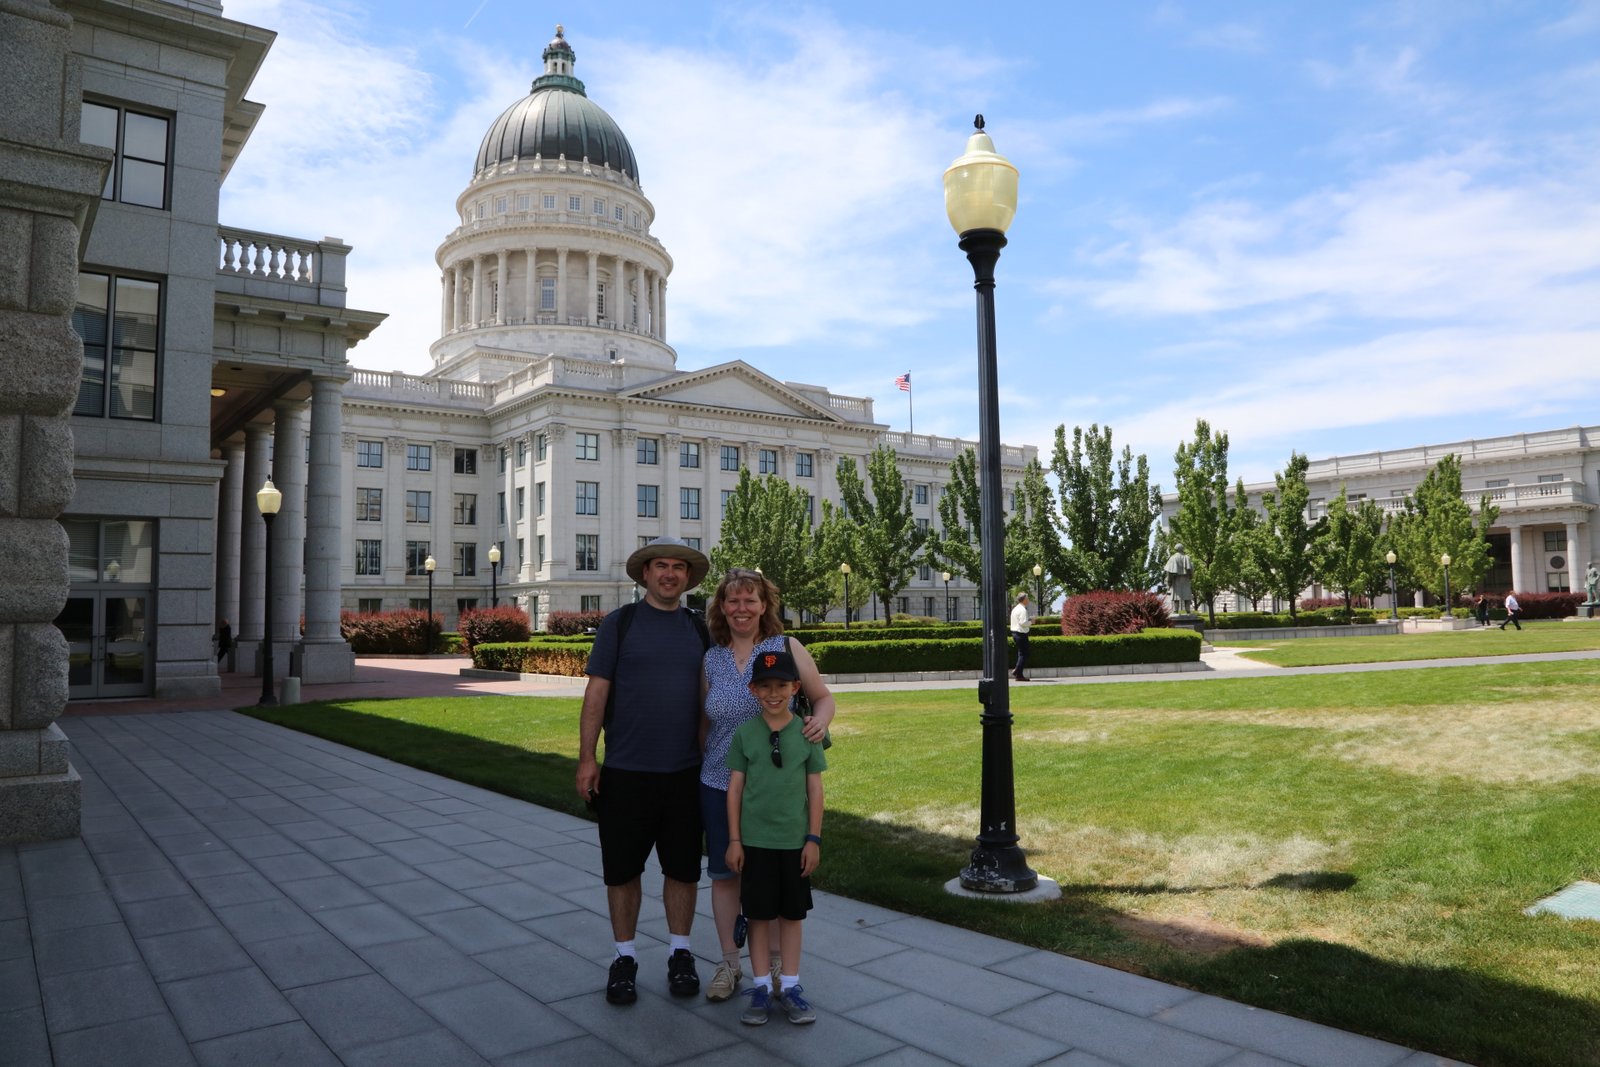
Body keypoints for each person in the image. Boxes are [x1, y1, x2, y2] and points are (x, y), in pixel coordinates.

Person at [577, 537, 711, 1005]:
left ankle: (680, 953)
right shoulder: (620, 624)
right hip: (626, 772)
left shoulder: (699, 630)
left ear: (688, 578)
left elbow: (710, 702)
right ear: (646, 575)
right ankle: (625, 958)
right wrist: (588, 758)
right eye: (661, 566)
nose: (670, 573)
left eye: (679, 567)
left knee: (683, 870)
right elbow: (596, 695)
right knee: (622, 873)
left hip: (685, 775)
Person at [700, 568, 834, 1004]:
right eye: (733, 601)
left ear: (764, 605)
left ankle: (777, 965)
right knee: (725, 875)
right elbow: (706, 722)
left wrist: (818, 723)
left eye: (750, 600)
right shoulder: (712, 658)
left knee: (777, 876)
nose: (742, 609)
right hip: (721, 783)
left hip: (779, 789)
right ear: (721, 606)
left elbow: (823, 697)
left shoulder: (786, 648)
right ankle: (730, 964)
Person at [725, 646, 827, 1026]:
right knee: (757, 915)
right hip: (754, 844)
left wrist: (813, 839)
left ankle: (792, 986)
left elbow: (815, 790)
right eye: (764, 685)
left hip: (794, 844)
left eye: (781, 685)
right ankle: (762, 988)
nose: (773, 692)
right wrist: (735, 840)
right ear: (752, 689)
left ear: (795, 687)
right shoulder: (745, 734)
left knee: (792, 916)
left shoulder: (807, 732)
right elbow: (735, 789)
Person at [1165, 544, 1194, 614]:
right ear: (1182, 549)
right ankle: (1188, 610)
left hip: (1176, 580)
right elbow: (1191, 570)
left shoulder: (1173, 558)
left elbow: (1169, 572)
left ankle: (1175, 610)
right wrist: (1191, 577)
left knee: (1176, 596)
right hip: (1186, 579)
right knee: (1187, 595)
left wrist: (1169, 582)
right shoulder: (1187, 557)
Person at [1009, 592, 1032, 682]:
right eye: (1028, 598)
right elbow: (1023, 623)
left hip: (1015, 633)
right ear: (1024, 599)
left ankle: (1019, 675)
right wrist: (1031, 622)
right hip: (1021, 634)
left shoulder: (1015, 609)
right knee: (1024, 654)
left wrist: (1028, 620)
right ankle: (1017, 671)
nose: (1028, 600)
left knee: (1021, 654)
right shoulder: (1022, 610)